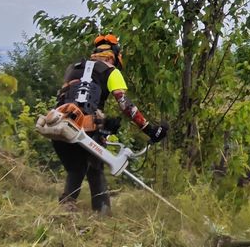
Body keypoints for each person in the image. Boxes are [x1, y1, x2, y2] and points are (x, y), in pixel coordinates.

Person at [53, 33, 168, 215]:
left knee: (76, 168)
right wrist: (150, 130)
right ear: (113, 56)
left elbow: (71, 99)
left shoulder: (73, 68)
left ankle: (65, 211)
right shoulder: (111, 71)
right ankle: (103, 218)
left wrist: (105, 123)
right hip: (85, 128)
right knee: (95, 169)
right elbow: (126, 106)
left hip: (58, 126)